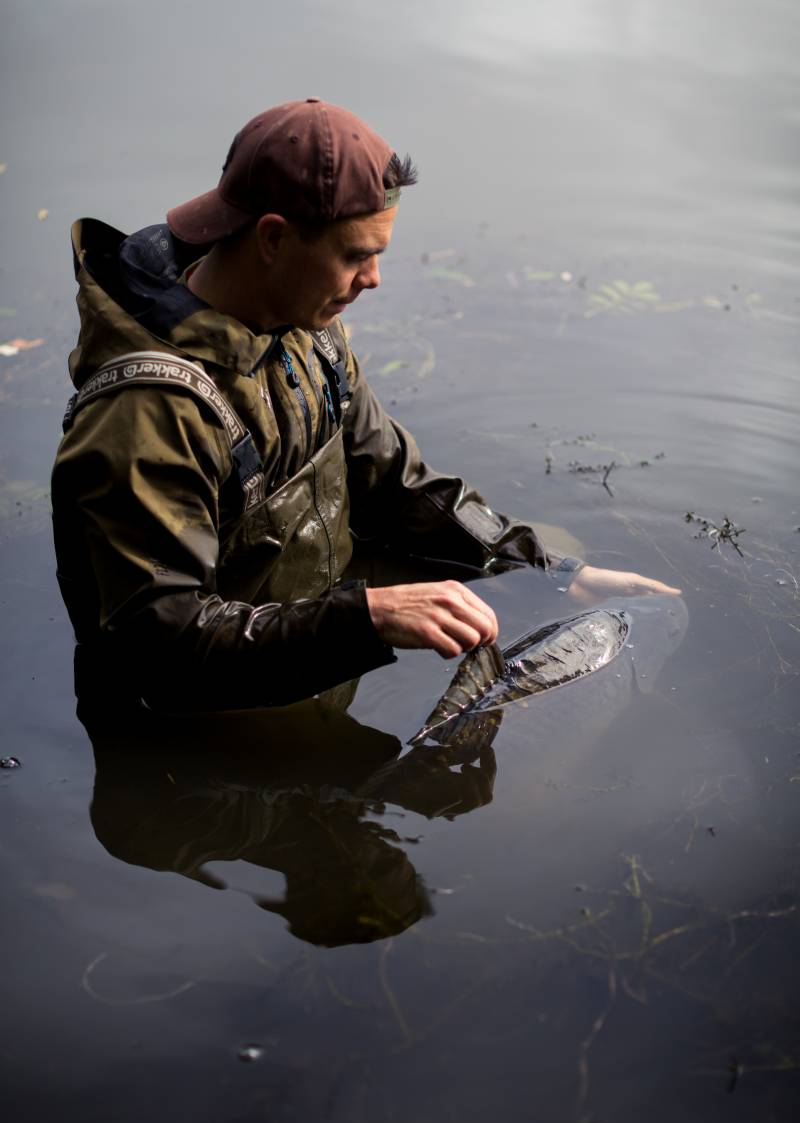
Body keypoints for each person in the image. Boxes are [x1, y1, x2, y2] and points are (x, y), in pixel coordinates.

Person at [51, 98, 678, 718]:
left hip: (318, 601)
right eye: (355, 256)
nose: (374, 278)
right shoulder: (146, 415)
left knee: (554, 560)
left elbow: (397, 482)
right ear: (272, 238)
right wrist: (370, 618)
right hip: (205, 690)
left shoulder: (304, 324)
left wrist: (551, 570)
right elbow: (166, 646)